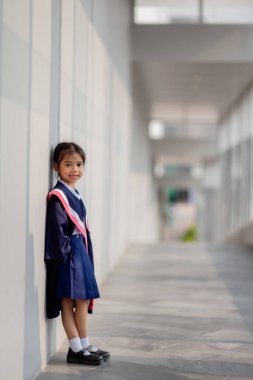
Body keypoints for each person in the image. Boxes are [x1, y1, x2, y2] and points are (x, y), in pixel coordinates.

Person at [44, 142, 110, 366]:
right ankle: (75, 348)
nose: (75, 169)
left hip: (79, 253)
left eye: (79, 164)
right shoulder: (58, 195)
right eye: (68, 164)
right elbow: (57, 230)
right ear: (56, 167)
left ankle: (84, 343)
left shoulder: (75, 194)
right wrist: (67, 256)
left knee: (82, 300)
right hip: (68, 255)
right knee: (66, 301)